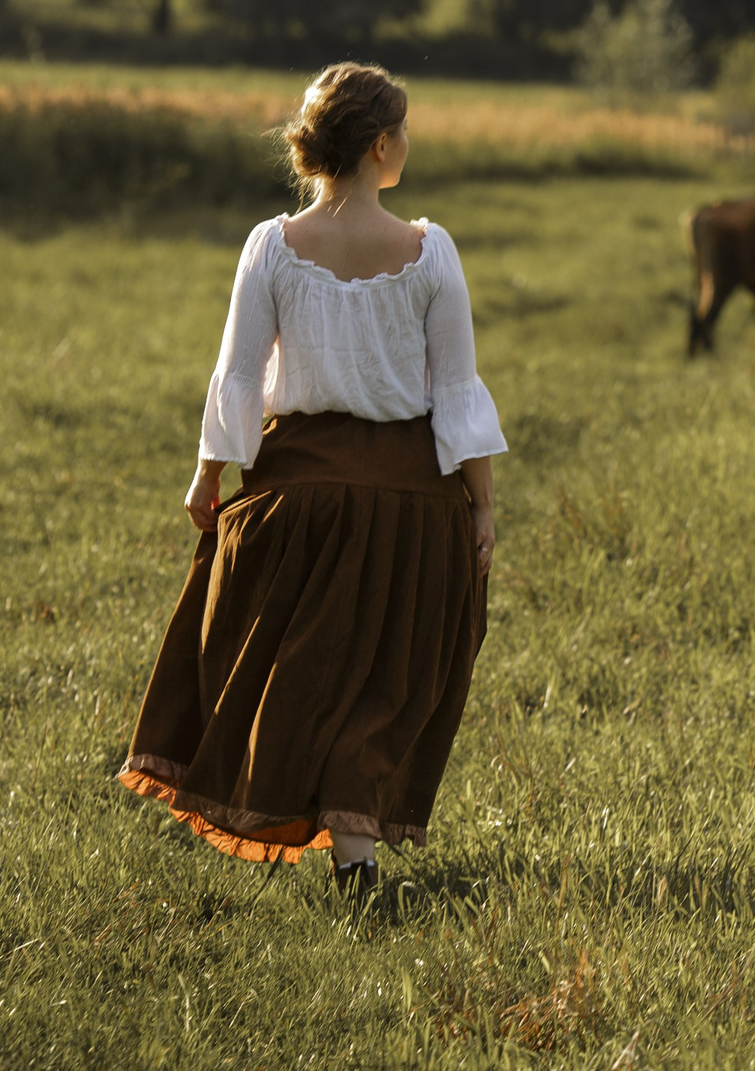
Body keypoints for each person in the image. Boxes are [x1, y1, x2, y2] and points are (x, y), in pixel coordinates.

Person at [118, 62, 503, 894]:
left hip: (298, 498)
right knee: (384, 681)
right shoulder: (431, 252)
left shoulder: (272, 246)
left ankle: (333, 843)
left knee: (305, 665)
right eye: (403, 129)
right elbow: (456, 391)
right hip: (411, 503)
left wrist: (206, 476)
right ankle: (356, 855)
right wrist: (480, 507)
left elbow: (237, 376)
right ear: (380, 145)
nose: (407, 141)